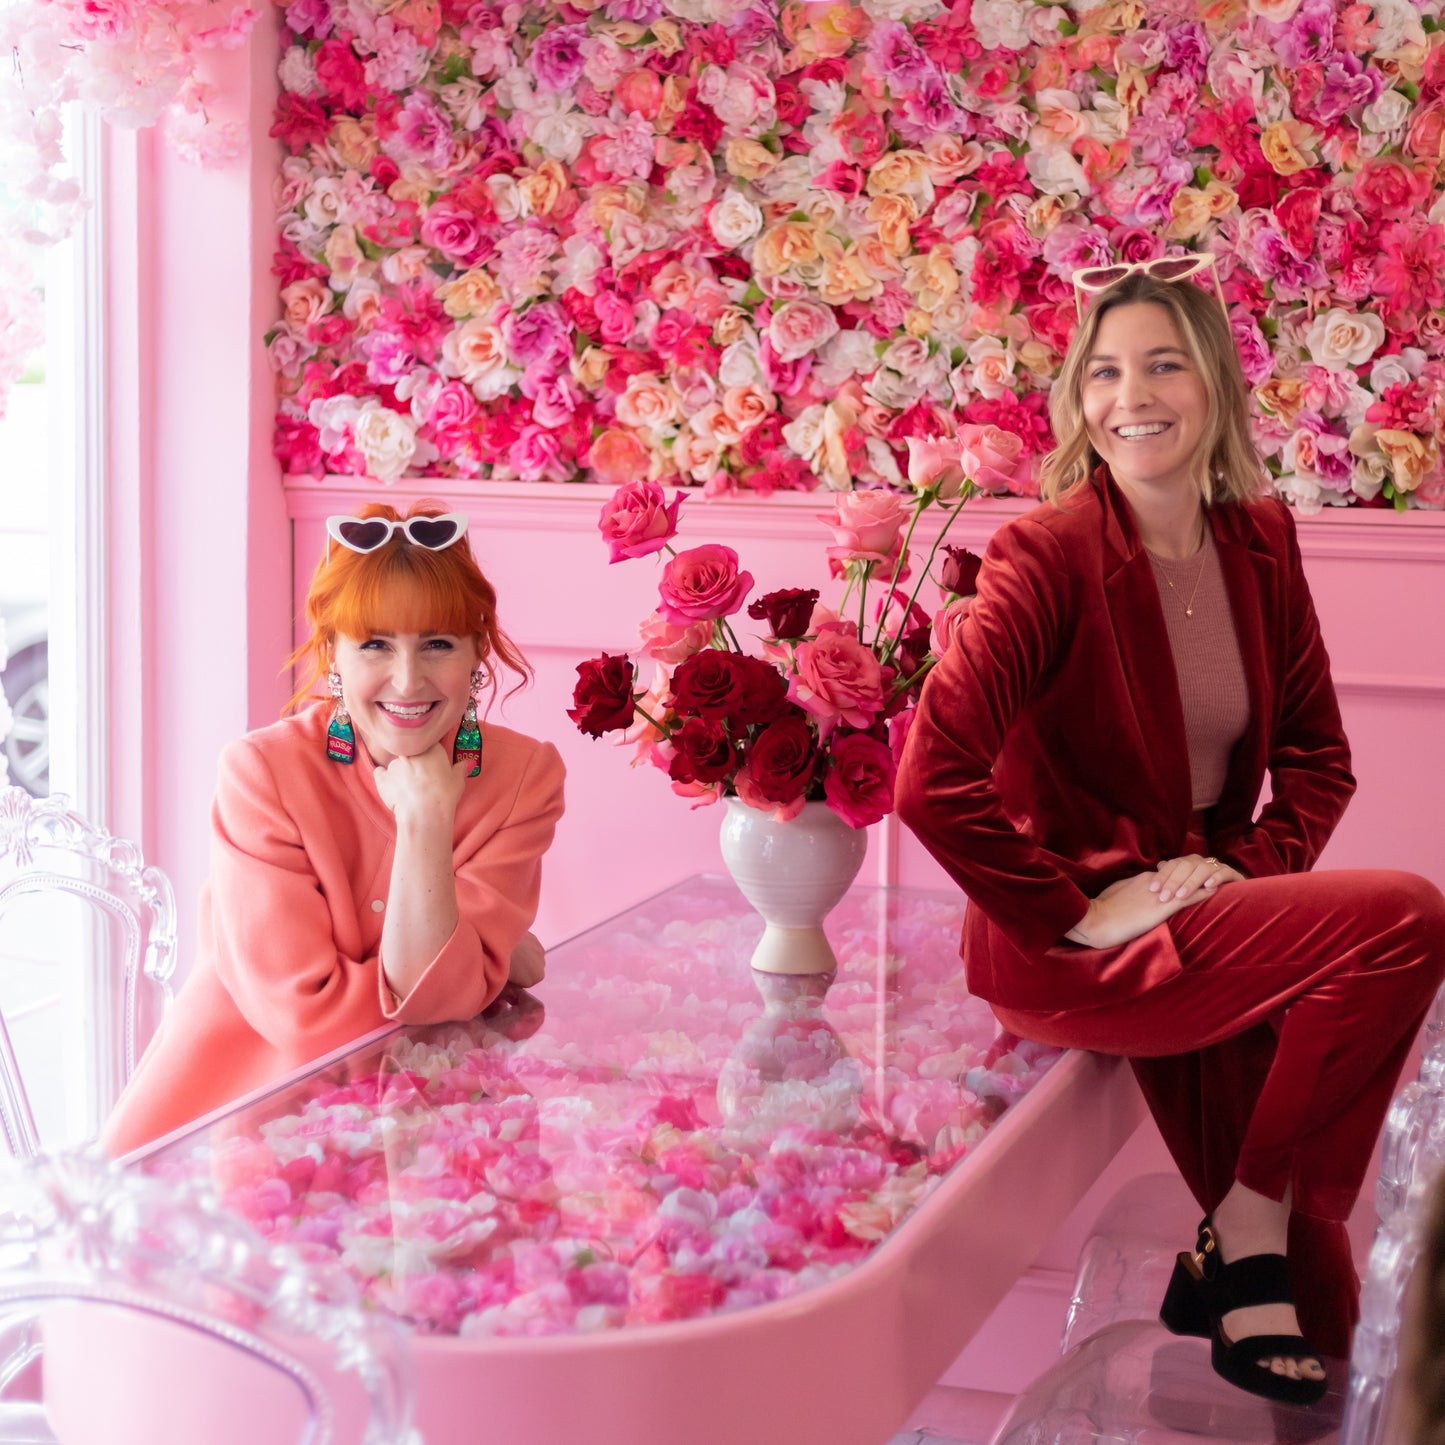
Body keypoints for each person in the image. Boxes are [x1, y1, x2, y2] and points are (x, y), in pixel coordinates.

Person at [895, 261, 1445, 1405]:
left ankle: (1241, 1248)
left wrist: (1229, 874)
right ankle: (1239, 1227)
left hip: (1201, 918)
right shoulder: (1042, 555)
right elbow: (928, 777)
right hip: (1077, 950)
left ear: (1211, 384)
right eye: (1100, 371)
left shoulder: (1257, 538)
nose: (1128, 394)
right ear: (1074, 399)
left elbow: (1314, 757)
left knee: (1317, 1295)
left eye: (1159, 363)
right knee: (1405, 916)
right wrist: (1080, 908)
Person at [102, 503, 565, 1157]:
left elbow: (441, 996)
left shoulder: (524, 776)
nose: (407, 680)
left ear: (476, 652)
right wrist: (479, 969)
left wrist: (427, 819)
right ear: (332, 654)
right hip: (247, 1122)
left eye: (438, 642)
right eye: (375, 643)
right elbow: (307, 1018)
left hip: (436, 1128)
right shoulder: (263, 773)